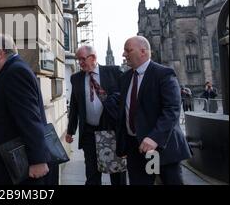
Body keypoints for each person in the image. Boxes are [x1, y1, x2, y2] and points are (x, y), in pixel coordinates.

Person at [115, 36, 192, 185]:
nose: (124, 54)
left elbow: (172, 109)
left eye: (128, 50)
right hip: (135, 149)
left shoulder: (163, 74)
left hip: (158, 148)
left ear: (143, 51)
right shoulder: (125, 78)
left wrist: (155, 138)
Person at [0, 33, 50, 185]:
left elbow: (29, 119)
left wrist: (38, 160)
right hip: (7, 167)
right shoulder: (13, 70)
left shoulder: (16, 72)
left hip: (15, 172)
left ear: (0, 53)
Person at [66, 45, 126, 185]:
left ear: (93, 57)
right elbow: (75, 106)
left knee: (116, 172)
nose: (80, 63)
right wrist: (70, 131)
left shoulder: (113, 72)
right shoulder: (76, 78)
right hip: (89, 132)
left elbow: (124, 97)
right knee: (92, 174)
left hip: (110, 131)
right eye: (78, 59)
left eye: (82, 59)